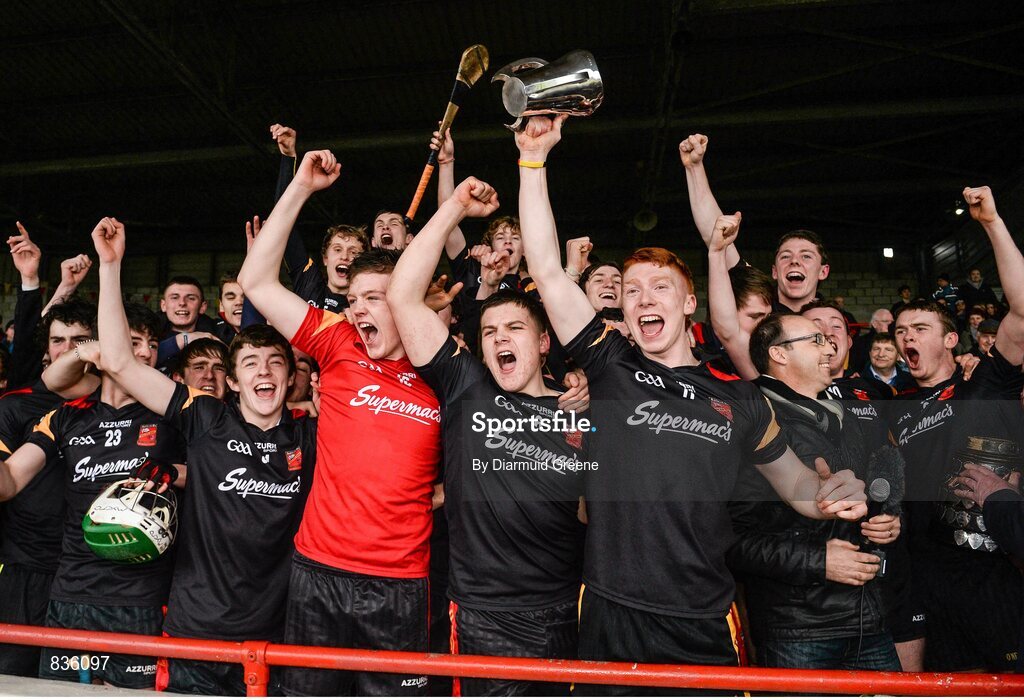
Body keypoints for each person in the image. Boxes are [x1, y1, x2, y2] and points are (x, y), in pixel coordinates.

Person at [517, 116, 866, 693]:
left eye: (659, 288)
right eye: (631, 291)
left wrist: (830, 498)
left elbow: (799, 489)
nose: (642, 299)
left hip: (703, 618)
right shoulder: (611, 367)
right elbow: (549, 272)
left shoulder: (740, 397)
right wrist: (533, 163)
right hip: (611, 609)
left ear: (687, 305)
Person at [238, 149, 443, 696]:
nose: (359, 310)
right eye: (353, 299)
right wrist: (300, 188)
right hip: (317, 570)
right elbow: (256, 282)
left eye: (374, 298)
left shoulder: (443, 369)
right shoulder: (338, 340)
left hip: (400, 582)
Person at [82, 217, 316, 695]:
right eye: (250, 363)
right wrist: (110, 267)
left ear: (292, 378)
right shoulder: (206, 417)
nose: (264, 371)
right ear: (232, 382)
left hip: (277, 635)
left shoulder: (311, 435)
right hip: (196, 632)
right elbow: (122, 363)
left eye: (276, 362)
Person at [388, 175, 586, 696]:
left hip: (566, 605)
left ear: (545, 343)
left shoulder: (581, 409)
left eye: (514, 329)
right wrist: (453, 206)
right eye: (490, 332)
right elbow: (403, 296)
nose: (500, 337)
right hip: (483, 613)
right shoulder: (467, 385)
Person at [0, 285, 182, 690]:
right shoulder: (67, 417)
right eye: (135, 343)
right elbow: (10, 481)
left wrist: (170, 472)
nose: (148, 353)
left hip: (142, 597)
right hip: (71, 594)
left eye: (153, 345)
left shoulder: (176, 412)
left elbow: (212, 472)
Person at [892, 186, 1024, 672]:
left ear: (952, 339)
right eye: (900, 331)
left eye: (920, 329)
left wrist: (990, 222)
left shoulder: (984, 382)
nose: (907, 337)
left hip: (990, 573)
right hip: (926, 580)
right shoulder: (892, 406)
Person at [731, 312, 900, 670]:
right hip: (797, 630)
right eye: (816, 340)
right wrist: (818, 561)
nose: (830, 346)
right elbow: (732, 540)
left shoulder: (846, 417)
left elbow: (871, 495)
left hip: (867, 619)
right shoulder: (755, 420)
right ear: (779, 353)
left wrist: (886, 522)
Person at [0, 299, 96, 677]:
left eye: (79, 339)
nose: (68, 349)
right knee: (12, 678)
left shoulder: (120, 404)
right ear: (46, 348)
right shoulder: (15, 406)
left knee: (80, 685)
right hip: (24, 569)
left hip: (93, 573)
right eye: (58, 340)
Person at [678, 133, 829, 312]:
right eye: (785, 256)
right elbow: (715, 234)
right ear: (774, 271)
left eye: (806, 256)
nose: (794, 261)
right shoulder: (760, 305)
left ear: (823, 271)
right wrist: (694, 167)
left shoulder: (833, 321)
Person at [214, 272, 243, 346]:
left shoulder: (273, 329)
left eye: (246, 297)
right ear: (221, 305)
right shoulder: (211, 331)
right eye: (230, 298)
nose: (239, 302)